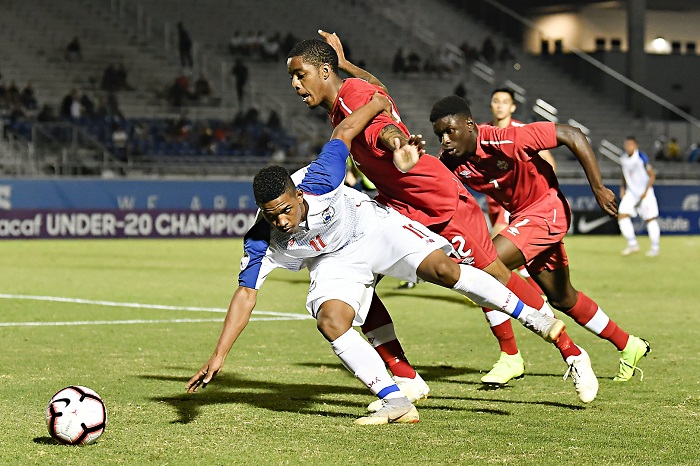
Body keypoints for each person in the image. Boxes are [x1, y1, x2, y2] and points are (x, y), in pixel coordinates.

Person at [186, 94, 568, 425]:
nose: (281, 222)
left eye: (286, 210)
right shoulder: (260, 238)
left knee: (445, 269)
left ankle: (534, 317)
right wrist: (219, 355)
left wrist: (376, 104)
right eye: (271, 216)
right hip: (332, 261)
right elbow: (246, 295)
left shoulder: (321, 179)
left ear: (298, 196)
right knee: (332, 320)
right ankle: (396, 401)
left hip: (373, 228)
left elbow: (344, 133)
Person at [288, 33, 598, 404]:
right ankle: (406, 378)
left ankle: (573, 352)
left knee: (496, 277)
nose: (294, 84)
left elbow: (383, 127)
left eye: (299, 74)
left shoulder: (352, 100)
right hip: (397, 203)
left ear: (323, 71)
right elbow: (380, 91)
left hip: (438, 202)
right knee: (359, 273)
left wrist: (399, 147)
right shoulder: (351, 92)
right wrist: (346, 64)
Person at [428, 95, 650, 384]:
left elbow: (572, 134)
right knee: (562, 297)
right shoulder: (450, 161)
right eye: (439, 134)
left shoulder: (506, 139)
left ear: (469, 125)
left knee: (483, 267)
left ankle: (510, 356)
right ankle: (629, 344)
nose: (444, 139)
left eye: (450, 131)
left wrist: (598, 188)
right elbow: (421, 184)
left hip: (547, 211)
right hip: (523, 219)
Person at [618, 136, 661, 257]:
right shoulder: (623, 158)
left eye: (631, 145)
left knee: (650, 218)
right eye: (626, 145)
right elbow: (624, 174)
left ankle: (655, 247)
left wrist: (646, 191)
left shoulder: (641, 157)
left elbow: (652, 175)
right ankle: (632, 244)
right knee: (622, 215)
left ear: (635, 145)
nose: (628, 147)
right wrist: (623, 188)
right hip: (631, 192)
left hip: (645, 192)